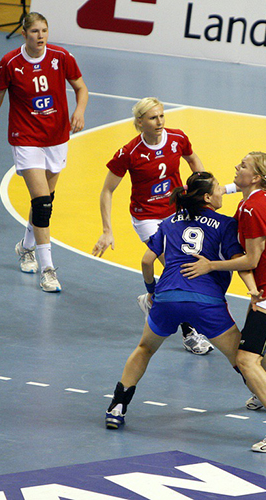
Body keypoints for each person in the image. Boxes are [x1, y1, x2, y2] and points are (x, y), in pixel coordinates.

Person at [104, 171, 266, 453]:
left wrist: (151, 290)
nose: (224, 191)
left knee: (144, 349)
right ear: (208, 197)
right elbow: (242, 262)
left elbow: (147, 260)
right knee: (244, 362)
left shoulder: (168, 222)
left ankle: (117, 406)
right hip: (206, 303)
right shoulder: (226, 224)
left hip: (168, 297)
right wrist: (252, 290)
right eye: (218, 189)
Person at [181, 152, 266, 453]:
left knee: (246, 360)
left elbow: (251, 258)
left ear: (257, 177)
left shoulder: (254, 207)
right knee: (259, 352)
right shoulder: (252, 202)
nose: (237, 168)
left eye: (244, 166)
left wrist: (209, 266)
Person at [92, 97, 213, 355]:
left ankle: (151, 299)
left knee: (191, 264)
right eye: (152, 118)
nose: (159, 122)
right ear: (139, 122)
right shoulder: (129, 152)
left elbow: (194, 161)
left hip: (176, 212)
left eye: (161, 116)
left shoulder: (178, 138)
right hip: (146, 217)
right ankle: (189, 333)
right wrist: (107, 230)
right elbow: (107, 190)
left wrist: (201, 190)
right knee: (176, 267)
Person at [0, 12, 88, 292]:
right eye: (35, 31)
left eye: (44, 30)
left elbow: (81, 88)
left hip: (57, 137)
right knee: (42, 204)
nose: (40, 36)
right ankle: (48, 269)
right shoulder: (10, 62)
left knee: (47, 199)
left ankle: (25, 247)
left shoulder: (61, 57)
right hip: (25, 138)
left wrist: (79, 111)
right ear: (24, 34)